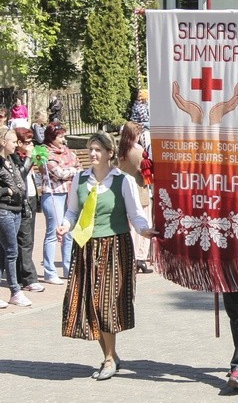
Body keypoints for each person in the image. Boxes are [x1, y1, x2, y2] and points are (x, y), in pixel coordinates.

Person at [58, 131, 156, 380]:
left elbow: (135, 214)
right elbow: (72, 212)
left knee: (106, 304)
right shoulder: (80, 179)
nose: (93, 153)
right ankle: (110, 356)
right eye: (91, 149)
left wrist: (144, 230)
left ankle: (109, 359)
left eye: (98, 149)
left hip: (115, 246)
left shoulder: (123, 181)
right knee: (91, 304)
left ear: (110, 153)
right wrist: (65, 226)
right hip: (85, 247)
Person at [41, 122, 81, 284]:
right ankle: (50, 272)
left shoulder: (68, 152)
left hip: (70, 193)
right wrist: (73, 171)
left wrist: (72, 171)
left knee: (69, 231)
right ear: (52, 137)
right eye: (60, 136)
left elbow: (80, 166)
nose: (63, 139)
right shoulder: (44, 153)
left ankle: (68, 267)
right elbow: (58, 173)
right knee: (53, 232)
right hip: (53, 195)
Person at [0, 127, 32, 307]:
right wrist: (7, 190)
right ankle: (15, 290)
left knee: (3, 252)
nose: (15, 144)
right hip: (3, 210)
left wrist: (28, 157)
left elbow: (21, 175)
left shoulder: (11, 159)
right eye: (12, 141)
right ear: (3, 142)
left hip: (16, 209)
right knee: (12, 251)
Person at [117, 122, 153, 274]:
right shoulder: (139, 152)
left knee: (130, 226)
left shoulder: (120, 151)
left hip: (123, 191)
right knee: (143, 224)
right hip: (139, 190)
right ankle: (139, 258)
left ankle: (129, 256)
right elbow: (147, 173)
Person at [12, 128, 44, 293]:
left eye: (32, 142)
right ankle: (29, 278)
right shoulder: (15, 158)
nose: (31, 145)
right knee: (25, 240)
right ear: (18, 144)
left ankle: (21, 274)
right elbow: (19, 175)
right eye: (27, 142)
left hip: (31, 198)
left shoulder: (28, 156)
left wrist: (38, 157)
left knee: (28, 239)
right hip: (21, 201)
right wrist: (30, 158)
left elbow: (37, 166)